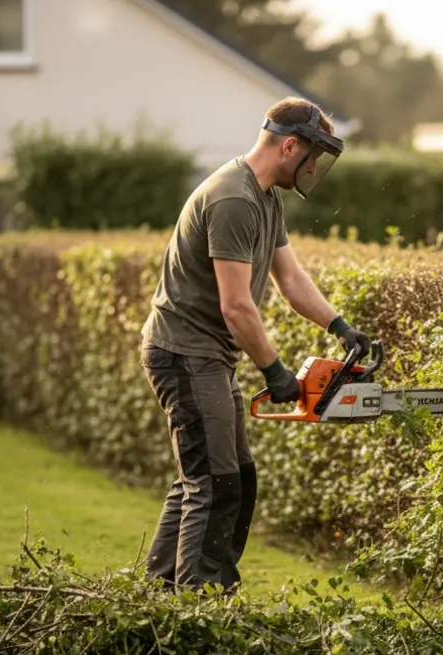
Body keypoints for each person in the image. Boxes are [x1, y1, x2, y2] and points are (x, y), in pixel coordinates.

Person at [138, 97, 371, 594]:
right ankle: (198, 605)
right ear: (290, 145)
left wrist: (340, 326)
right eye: (313, 156)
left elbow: (289, 277)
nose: (314, 168)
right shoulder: (234, 199)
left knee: (227, 477)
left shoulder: (263, 196)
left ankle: (156, 594)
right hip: (185, 353)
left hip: (204, 355)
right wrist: (276, 372)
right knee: (216, 483)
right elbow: (236, 307)